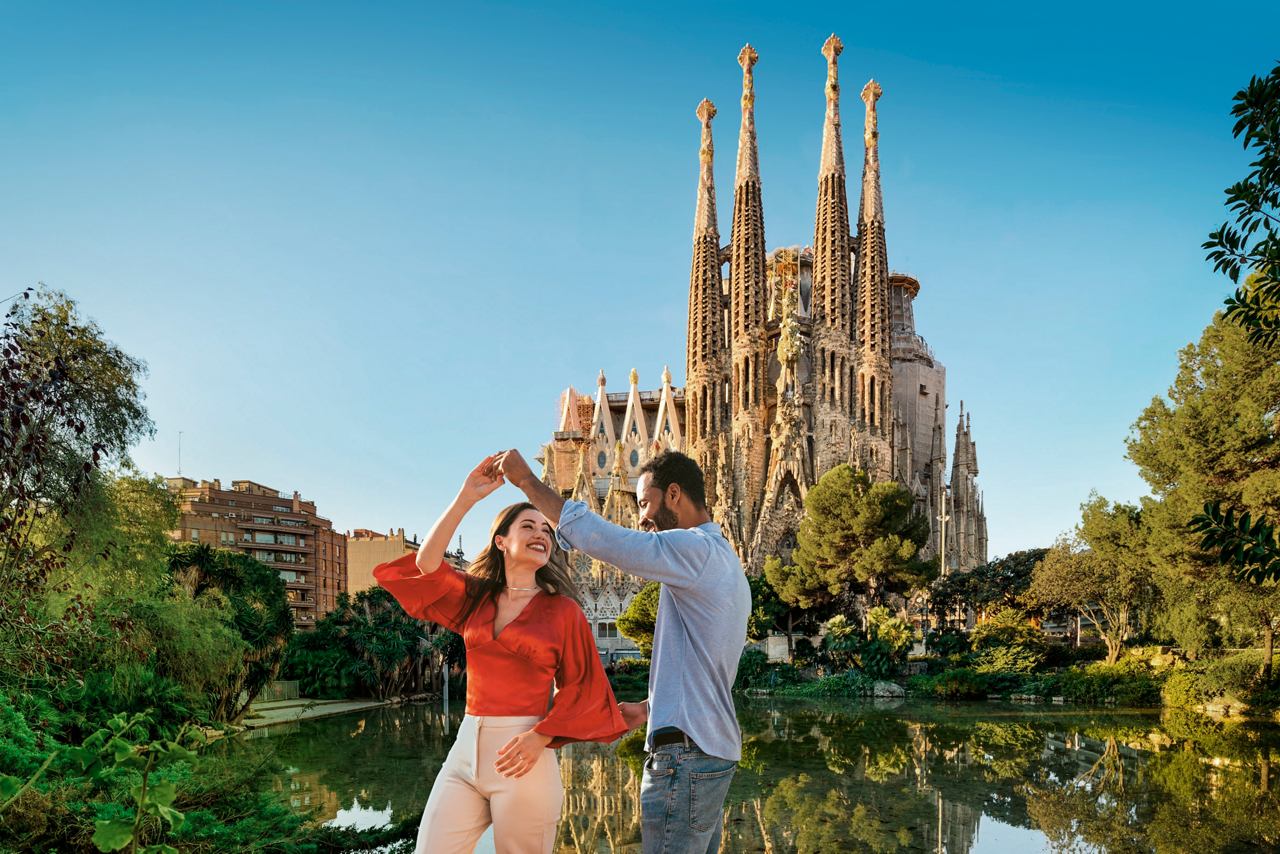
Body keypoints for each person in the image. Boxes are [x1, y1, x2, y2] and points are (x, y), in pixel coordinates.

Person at [496, 448, 751, 854]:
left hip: (683, 761)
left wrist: (528, 482)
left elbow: (611, 543)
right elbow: (709, 667)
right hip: (709, 753)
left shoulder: (694, 550)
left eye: (646, 503)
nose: (643, 518)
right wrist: (652, 709)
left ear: (673, 494)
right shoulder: (723, 562)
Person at [374, 455, 628, 854]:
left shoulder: (563, 611)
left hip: (524, 755)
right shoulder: (477, 597)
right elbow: (426, 565)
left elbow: (584, 686)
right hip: (465, 749)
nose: (541, 533)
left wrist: (541, 736)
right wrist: (465, 497)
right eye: (528, 525)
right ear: (500, 541)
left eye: (546, 528)